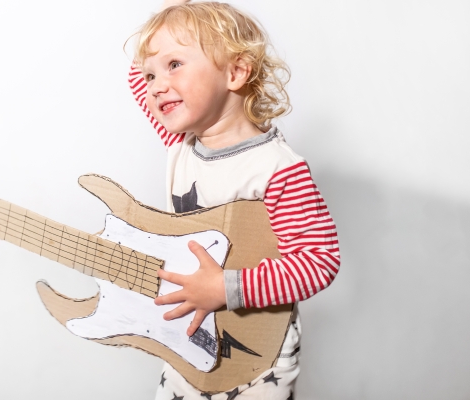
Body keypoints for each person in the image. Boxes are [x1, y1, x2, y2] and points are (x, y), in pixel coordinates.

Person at [127, 1, 340, 399]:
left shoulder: (276, 168)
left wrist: (226, 288)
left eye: (175, 65)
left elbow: (318, 261)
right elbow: (136, 77)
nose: (156, 85)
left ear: (236, 71)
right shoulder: (180, 143)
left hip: (257, 361)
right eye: (151, 74)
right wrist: (172, 22)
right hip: (187, 342)